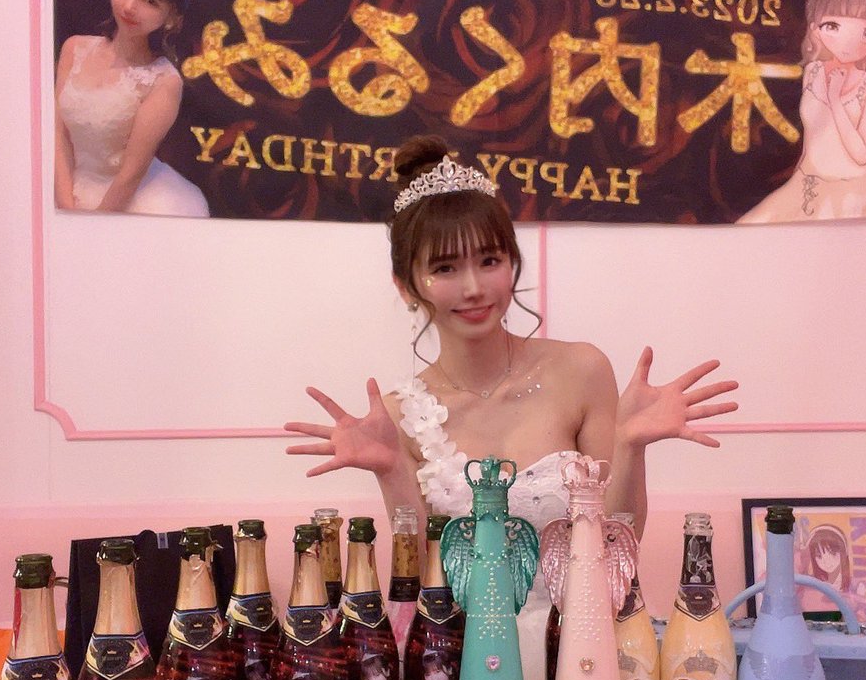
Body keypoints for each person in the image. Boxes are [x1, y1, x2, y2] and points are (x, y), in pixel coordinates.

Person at [283, 134, 739, 540]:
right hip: (459, 615)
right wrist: (390, 472)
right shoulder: (401, 415)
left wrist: (630, 446)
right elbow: (422, 575)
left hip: (579, 610)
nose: (473, 288)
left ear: (512, 264)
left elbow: (618, 545)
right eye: (445, 268)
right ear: (406, 286)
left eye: (489, 261)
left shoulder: (581, 371)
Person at [739, 0, 866, 223]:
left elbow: (862, 153)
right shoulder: (813, 71)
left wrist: (834, 100)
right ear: (815, 27)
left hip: (857, 191)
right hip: (807, 184)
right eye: (833, 26)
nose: (848, 41)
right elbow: (812, 139)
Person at [55, 0, 209, 216]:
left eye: (150, 1)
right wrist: (64, 206)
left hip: (123, 201)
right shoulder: (74, 48)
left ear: (172, 17)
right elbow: (59, 136)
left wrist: (88, 226)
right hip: (63, 184)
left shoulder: (164, 81)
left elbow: (131, 174)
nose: (129, 6)